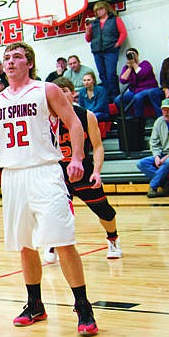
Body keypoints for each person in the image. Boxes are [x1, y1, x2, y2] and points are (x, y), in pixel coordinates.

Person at [0, 42, 98, 336]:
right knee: (24, 244)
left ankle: (83, 306)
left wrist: (77, 157)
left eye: (17, 57)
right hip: (13, 176)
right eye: (6, 58)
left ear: (29, 63)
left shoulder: (46, 90)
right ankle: (35, 304)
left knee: (62, 240)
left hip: (44, 171)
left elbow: (74, 123)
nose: (10, 62)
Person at [42, 78, 122, 261]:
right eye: (57, 91)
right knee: (55, 212)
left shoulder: (86, 115)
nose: (61, 95)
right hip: (58, 174)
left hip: (83, 171)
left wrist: (97, 171)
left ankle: (113, 240)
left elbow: (98, 146)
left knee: (105, 211)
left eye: (64, 90)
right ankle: (53, 244)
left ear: (73, 93)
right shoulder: (45, 119)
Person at [136, 98, 169, 197]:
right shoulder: (159, 121)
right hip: (161, 153)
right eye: (164, 109)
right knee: (141, 163)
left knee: (168, 162)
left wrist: (166, 156)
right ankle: (167, 184)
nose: (166, 112)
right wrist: (156, 156)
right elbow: (154, 142)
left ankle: (153, 187)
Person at [84, 0, 127, 99]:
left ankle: (115, 96)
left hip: (110, 50)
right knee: (102, 75)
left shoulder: (115, 19)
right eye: (97, 10)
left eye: (101, 9)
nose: (99, 12)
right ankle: (107, 96)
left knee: (111, 74)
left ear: (106, 9)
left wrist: (117, 44)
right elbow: (88, 39)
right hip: (97, 51)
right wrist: (87, 30)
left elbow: (123, 33)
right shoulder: (94, 23)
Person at [113, 48, 160, 118]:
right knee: (118, 100)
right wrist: (129, 68)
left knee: (137, 97)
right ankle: (130, 119)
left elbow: (142, 74)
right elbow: (123, 80)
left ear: (137, 55)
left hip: (148, 89)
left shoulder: (145, 64)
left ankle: (139, 120)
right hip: (134, 91)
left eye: (132, 54)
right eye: (128, 55)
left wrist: (134, 64)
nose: (131, 56)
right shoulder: (127, 68)